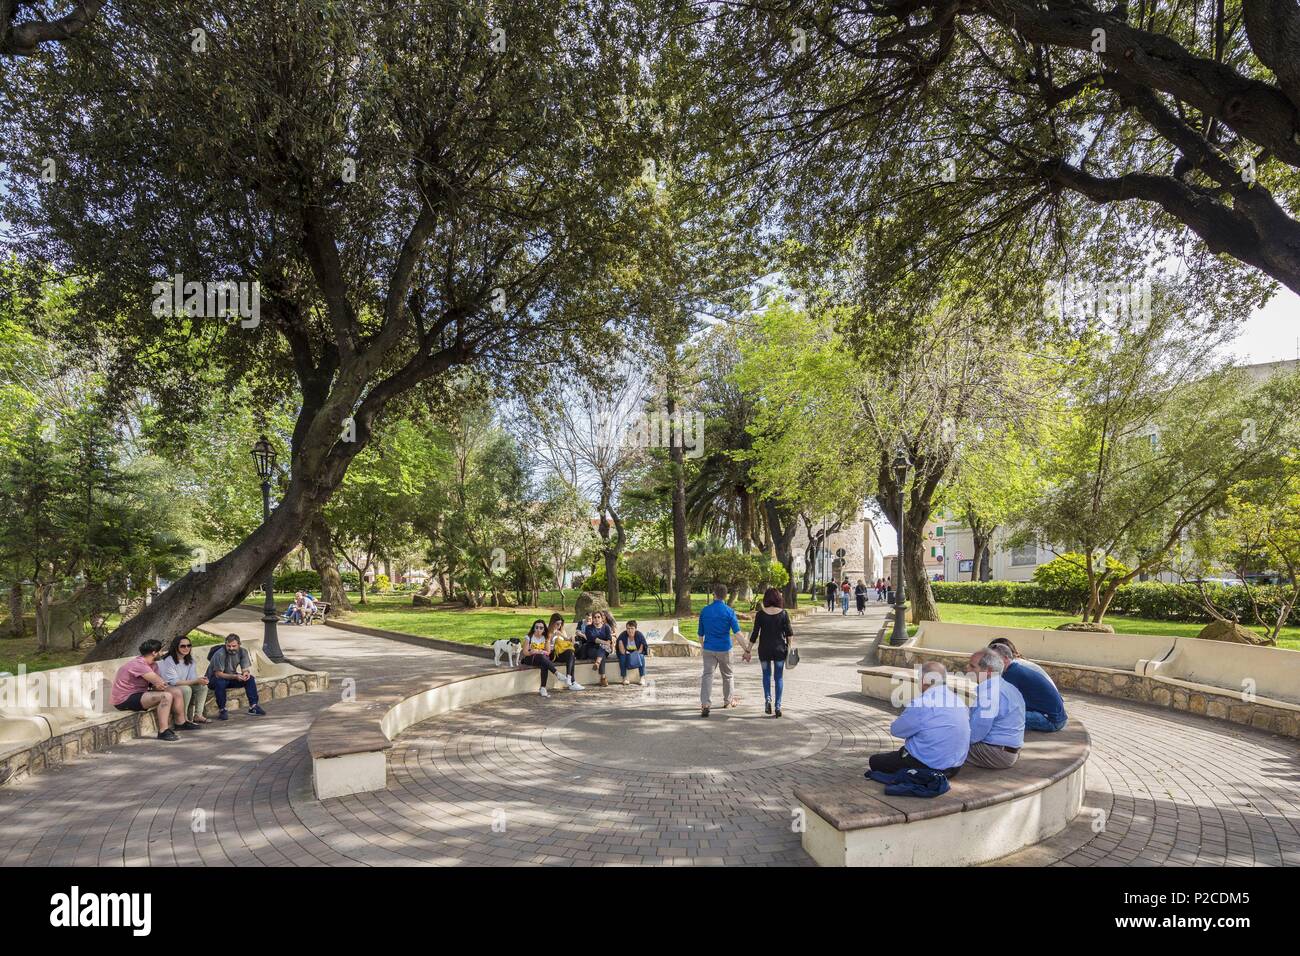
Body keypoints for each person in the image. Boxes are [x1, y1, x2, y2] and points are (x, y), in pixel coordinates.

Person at [867, 661, 969, 777]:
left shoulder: (922, 703)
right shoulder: (959, 701)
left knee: (875, 761)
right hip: (954, 768)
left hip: (928, 767)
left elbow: (896, 730)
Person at [110, 638, 193, 740]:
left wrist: (158, 686)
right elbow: (160, 682)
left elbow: (158, 684)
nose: (162, 653)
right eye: (161, 650)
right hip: (124, 699)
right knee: (166, 696)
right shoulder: (139, 664)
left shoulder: (152, 665)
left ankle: (181, 722)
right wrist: (159, 685)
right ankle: (163, 731)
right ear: (154, 653)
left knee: (176, 691)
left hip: (139, 694)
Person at [965, 648, 1025, 769]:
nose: (967, 669)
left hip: (996, 753)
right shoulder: (1006, 687)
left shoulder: (989, 695)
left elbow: (974, 735)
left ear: (988, 671)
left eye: (972, 666)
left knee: (938, 742)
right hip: (1007, 751)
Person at [990, 642, 1068, 732]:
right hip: (1056, 716)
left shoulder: (1012, 674)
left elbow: (997, 701)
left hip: (1052, 721)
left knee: (999, 717)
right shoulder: (1015, 669)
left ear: (1006, 659)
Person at [743, 586, 794, 717]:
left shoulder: (760, 614)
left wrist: (748, 650)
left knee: (766, 675)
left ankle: (767, 699)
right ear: (778, 598)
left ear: (766, 599)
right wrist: (790, 648)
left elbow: (754, 634)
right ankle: (778, 706)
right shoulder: (783, 614)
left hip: (764, 649)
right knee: (779, 677)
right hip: (779, 650)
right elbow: (789, 634)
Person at [697, 583, 741, 717]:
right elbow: (737, 633)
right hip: (725, 648)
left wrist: (703, 646)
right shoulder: (729, 611)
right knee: (728, 675)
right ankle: (728, 701)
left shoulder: (705, 611)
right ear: (726, 596)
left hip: (709, 647)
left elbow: (700, 634)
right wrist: (747, 649)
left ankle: (705, 704)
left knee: (707, 676)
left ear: (714, 595)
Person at [207, 633, 267, 719]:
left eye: (234, 646)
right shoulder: (220, 654)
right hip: (214, 679)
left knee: (250, 679)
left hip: (230, 677)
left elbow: (245, 669)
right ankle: (222, 710)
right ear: (226, 645)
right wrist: (235, 677)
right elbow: (218, 674)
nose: (231, 648)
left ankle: (253, 707)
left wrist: (246, 674)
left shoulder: (243, 652)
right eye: (229, 646)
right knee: (220, 683)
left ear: (239, 644)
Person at [159, 635, 211, 725]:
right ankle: (184, 719)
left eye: (188, 645)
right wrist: (196, 681)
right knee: (186, 689)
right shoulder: (169, 660)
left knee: (202, 687)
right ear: (176, 647)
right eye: (183, 646)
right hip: (168, 687)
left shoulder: (190, 661)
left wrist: (201, 680)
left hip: (182, 685)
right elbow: (174, 682)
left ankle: (198, 715)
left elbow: (192, 679)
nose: (186, 648)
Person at [548, 613, 584, 691]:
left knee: (571, 653)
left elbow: (566, 641)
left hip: (563, 652)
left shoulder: (561, 630)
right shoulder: (548, 632)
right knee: (571, 655)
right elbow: (547, 647)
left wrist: (569, 637)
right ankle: (572, 681)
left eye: (560, 624)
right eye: (557, 624)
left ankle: (569, 678)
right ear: (552, 623)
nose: (559, 626)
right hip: (553, 654)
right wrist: (553, 636)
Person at [582, 611, 615, 687]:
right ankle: (603, 677)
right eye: (595, 617)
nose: (597, 619)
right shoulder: (588, 628)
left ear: (602, 618)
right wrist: (604, 642)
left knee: (602, 648)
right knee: (602, 652)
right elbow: (593, 639)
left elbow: (609, 639)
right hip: (592, 649)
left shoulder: (606, 627)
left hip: (605, 649)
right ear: (592, 619)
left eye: (598, 617)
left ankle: (597, 663)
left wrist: (606, 642)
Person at [616, 619, 648, 684]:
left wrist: (633, 655)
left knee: (641, 657)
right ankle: (624, 677)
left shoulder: (639, 635)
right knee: (622, 657)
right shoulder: (622, 636)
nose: (630, 630)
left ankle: (642, 677)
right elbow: (622, 651)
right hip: (625, 652)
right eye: (628, 628)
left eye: (632, 628)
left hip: (636, 652)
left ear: (635, 629)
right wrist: (627, 653)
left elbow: (641, 650)